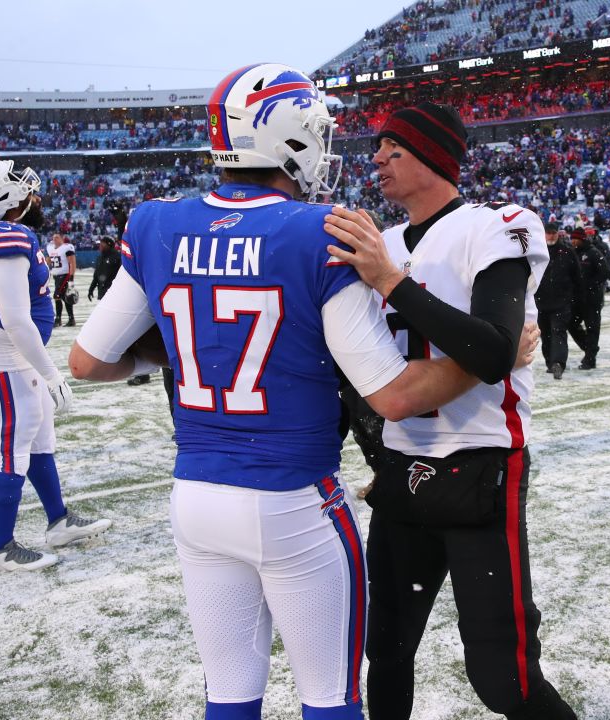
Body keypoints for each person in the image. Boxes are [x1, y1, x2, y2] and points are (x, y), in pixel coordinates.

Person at [67, 64, 505, 720]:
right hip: (291, 502)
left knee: (231, 696)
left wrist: (195, 351)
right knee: (330, 701)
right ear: (291, 137)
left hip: (196, 497)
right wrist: (484, 360)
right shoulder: (316, 231)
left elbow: (89, 360)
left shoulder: (156, 223)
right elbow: (392, 396)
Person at [323, 102, 578, 720]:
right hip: (403, 468)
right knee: (384, 653)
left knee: (503, 679)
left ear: (434, 157)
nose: (376, 158)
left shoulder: (494, 227)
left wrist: (391, 282)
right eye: (378, 148)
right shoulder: (377, 244)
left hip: (480, 467)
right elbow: (351, 374)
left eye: (395, 149)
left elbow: (492, 350)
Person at [0, 160, 112, 571]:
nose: (34, 199)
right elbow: (15, 319)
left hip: (15, 359)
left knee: (41, 441)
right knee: (10, 448)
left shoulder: (7, 234)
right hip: (6, 361)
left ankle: (58, 521)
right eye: (26, 193)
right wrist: (50, 372)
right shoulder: (5, 237)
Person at [533, 222, 582, 380]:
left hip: (561, 302)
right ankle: (550, 362)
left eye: (553, 232)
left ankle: (558, 363)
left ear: (558, 234)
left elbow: (577, 277)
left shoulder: (567, 252)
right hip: (541, 301)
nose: (551, 235)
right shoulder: (537, 252)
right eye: (548, 232)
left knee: (558, 333)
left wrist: (574, 299)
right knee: (545, 334)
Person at [566, 227, 605, 370]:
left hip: (592, 299)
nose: (573, 241)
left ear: (582, 239)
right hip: (576, 299)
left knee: (592, 328)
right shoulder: (571, 252)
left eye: (575, 239)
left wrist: (589, 285)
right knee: (571, 324)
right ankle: (590, 349)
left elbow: (604, 272)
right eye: (572, 239)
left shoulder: (593, 253)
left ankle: (590, 359)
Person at [47, 233, 77, 326]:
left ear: (62, 239)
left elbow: (72, 262)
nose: (55, 239)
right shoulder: (50, 248)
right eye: (53, 237)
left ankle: (58, 320)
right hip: (56, 276)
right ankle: (71, 319)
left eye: (57, 237)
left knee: (57, 296)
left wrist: (71, 277)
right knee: (65, 297)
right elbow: (48, 261)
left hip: (64, 275)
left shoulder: (66, 247)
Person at [88, 235, 121, 301]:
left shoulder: (117, 257)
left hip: (114, 294)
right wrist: (91, 289)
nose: (100, 246)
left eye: (102, 244)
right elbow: (96, 276)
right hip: (102, 294)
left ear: (109, 244)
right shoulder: (100, 258)